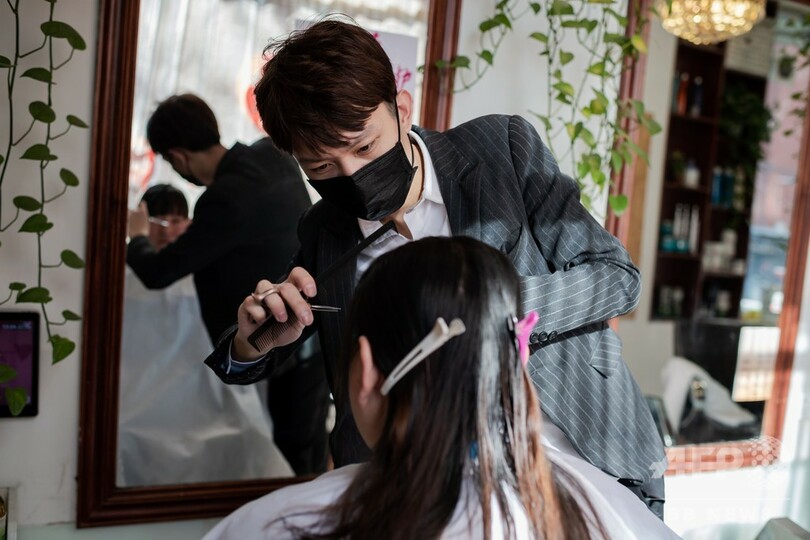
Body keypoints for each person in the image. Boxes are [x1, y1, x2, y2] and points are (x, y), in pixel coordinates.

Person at [204, 19, 666, 515]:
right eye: (321, 167)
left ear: (402, 110)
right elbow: (249, 359)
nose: (352, 175)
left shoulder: (502, 150)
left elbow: (617, 277)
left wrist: (492, 309)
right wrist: (258, 338)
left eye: (364, 147)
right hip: (421, 494)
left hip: (577, 452)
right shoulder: (324, 230)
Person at [203, 237, 679, 539]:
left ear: (364, 372)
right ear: (516, 360)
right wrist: (249, 344)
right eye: (321, 165)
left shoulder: (277, 526)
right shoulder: (598, 509)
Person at [127, 95, 329, 475]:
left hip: (277, 341)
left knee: (291, 457)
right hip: (314, 327)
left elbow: (158, 272)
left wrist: (137, 236)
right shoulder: (274, 154)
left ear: (178, 157)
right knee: (308, 449)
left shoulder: (224, 199)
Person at [119, 184, 293, 485]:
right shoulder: (126, 279)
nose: (166, 230)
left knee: (248, 436)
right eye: (157, 221)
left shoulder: (206, 272)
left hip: (203, 387)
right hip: (142, 394)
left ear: (189, 223)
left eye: (175, 221)